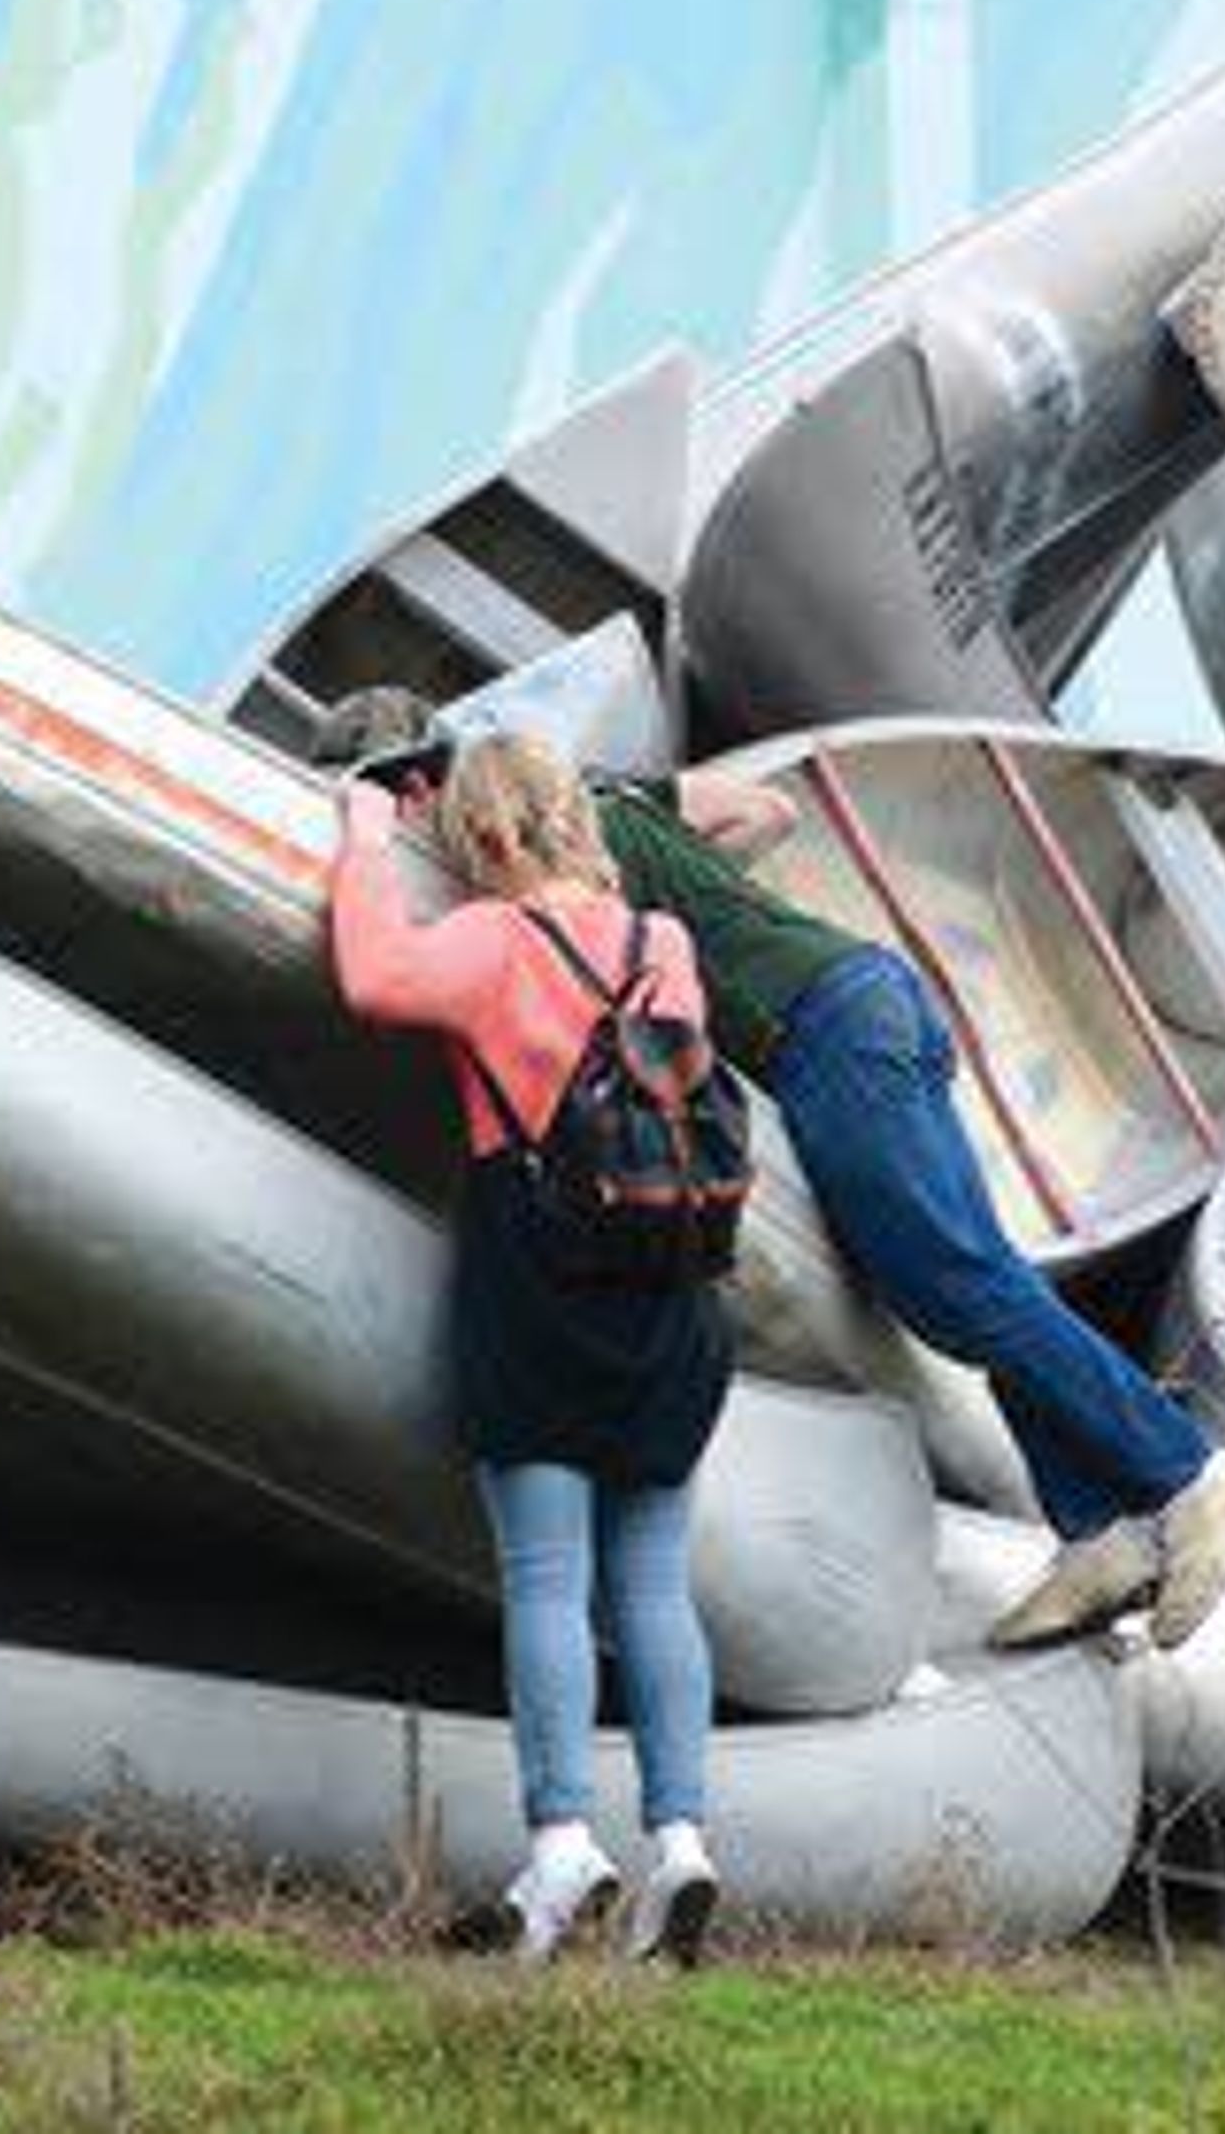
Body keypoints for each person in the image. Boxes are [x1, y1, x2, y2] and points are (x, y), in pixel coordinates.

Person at [309, 690, 1225, 1654]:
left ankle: (1190, 1474)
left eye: (406, 792)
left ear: (429, 787)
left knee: (953, 1287)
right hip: (864, 987)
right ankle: (1098, 1532)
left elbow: (401, 978)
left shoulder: (529, 875)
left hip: (825, 1033)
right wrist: (714, 908)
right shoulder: (607, 799)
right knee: (978, 1274)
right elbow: (768, 811)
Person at [328, 733, 732, 1967]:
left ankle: (563, 1844)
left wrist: (361, 838)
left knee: (549, 1582)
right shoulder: (662, 943)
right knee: (656, 1584)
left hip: (538, 1280)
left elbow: (373, 979)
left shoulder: (495, 943)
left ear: (488, 838)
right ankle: (682, 1843)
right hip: (671, 1287)